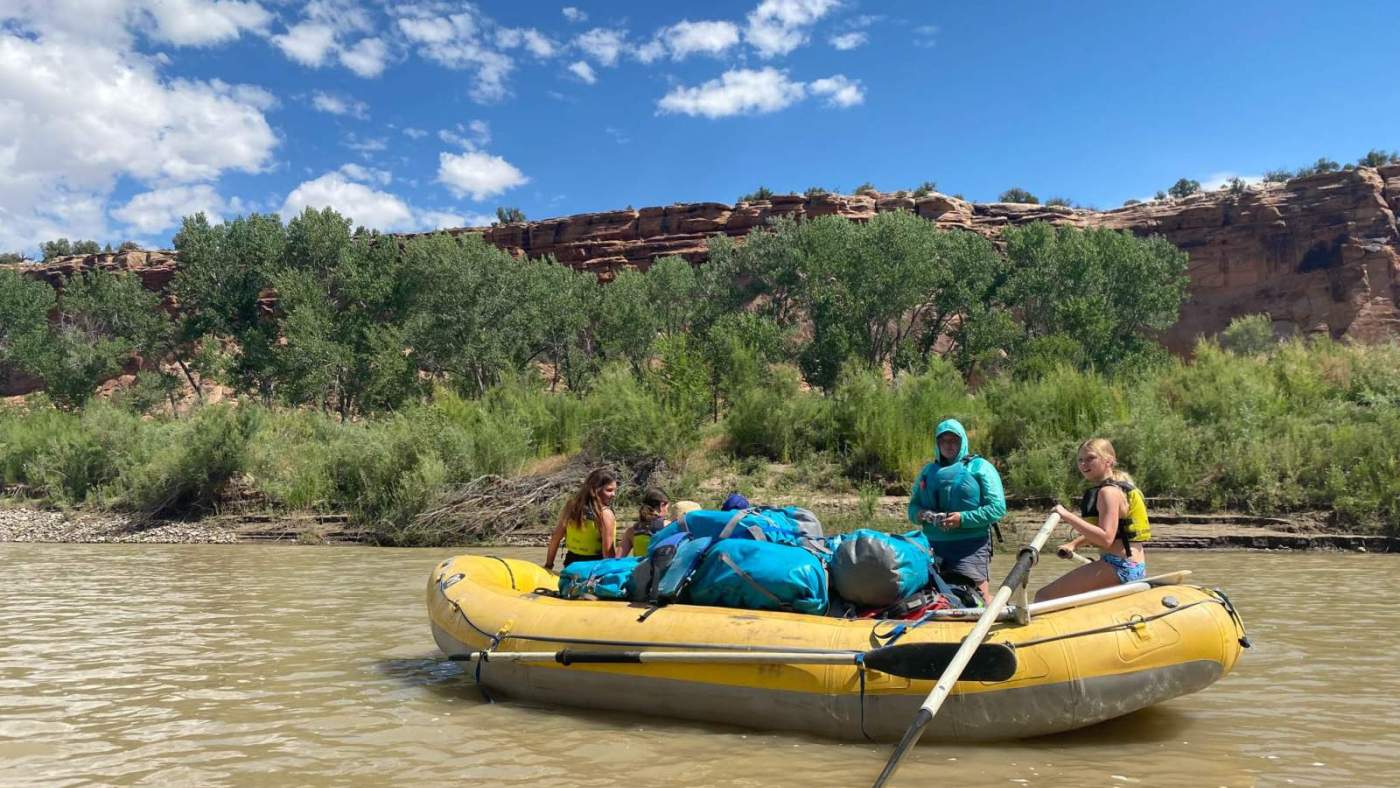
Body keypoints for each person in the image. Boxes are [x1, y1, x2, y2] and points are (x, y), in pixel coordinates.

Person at [1034, 438, 1149, 602]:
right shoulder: (1118, 487)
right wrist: (1074, 544)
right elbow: (1112, 530)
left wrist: (1066, 515)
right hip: (1133, 566)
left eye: (1090, 458)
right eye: (1080, 460)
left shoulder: (1107, 492)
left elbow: (1106, 538)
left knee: (1043, 596)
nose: (1084, 464)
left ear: (1108, 460)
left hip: (1119, 566)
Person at [906, 418, 1006, 605]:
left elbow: (998, 508)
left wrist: (962, 519)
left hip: (970, 546)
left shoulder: (980, 467)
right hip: (932, 547)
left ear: (963, 442)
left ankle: (993, 613)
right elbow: (912, 508)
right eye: (944, 440)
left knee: (977, 599)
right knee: (935, 599)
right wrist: (921, 514)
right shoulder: (927, 471)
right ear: (937, 443)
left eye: (954, 440)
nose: (949, 445)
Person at [544, 468, 620, 571]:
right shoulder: (605, 514)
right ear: (595, 489)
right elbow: (608, 553)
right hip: (594, 569)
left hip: (571, 566)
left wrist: (549, 565)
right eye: (609, 490)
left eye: (615, 490)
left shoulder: (572, 507)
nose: (613, 494)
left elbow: (555, 539)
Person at [619, 487, 670, 557]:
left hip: (638, 567)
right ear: (662, 505)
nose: (667, 511)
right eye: (667, 507)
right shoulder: (669, 526)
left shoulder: (631, 531)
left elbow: (618, 558)